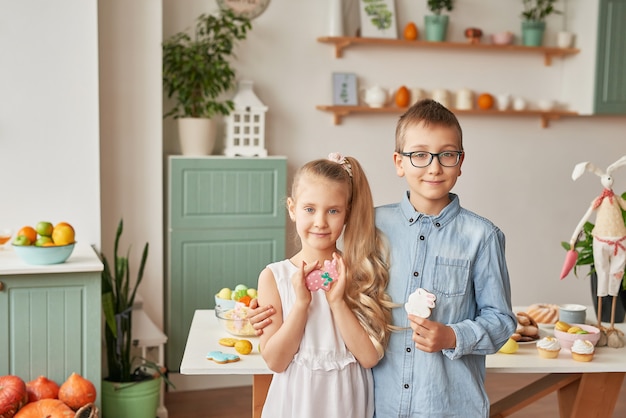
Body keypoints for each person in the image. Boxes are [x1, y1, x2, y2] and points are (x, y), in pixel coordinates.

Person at [250, 99, 517, 417]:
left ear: (460, 161)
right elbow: (321, 258)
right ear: (399, 162)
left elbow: (501, 320)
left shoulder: (482, 236)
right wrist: (267, 307)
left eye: (447, 155)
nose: (434, 167)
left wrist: (452, 335)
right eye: (420, 154)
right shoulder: (370, 226)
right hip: (378, 404)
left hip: (446, 405)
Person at [257, 153, 395, 418]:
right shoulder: (273, 277)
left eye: (333, 211)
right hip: (296, 403)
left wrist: (337, 302)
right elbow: (275, 360)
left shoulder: (359, 273)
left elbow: (368, 358)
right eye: (310, 209)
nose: (320, 221)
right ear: (292, 208)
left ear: (347, 214)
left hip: (346, 403)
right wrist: (301, 304)